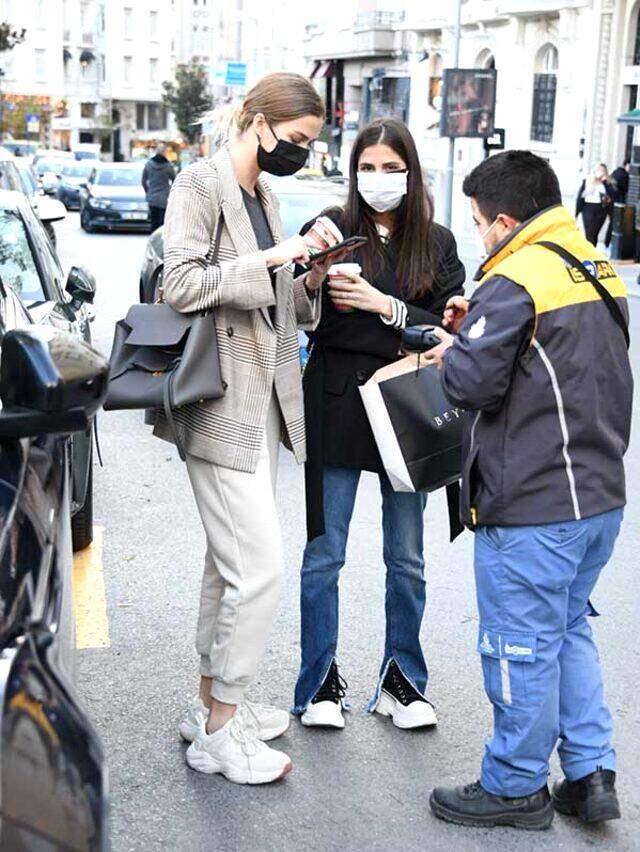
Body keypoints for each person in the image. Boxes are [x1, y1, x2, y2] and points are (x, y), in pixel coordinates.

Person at [425, 150, 632, 829]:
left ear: (507, 219)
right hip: (598, 495)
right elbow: (551, 359)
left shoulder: (515, 278)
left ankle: (514, 784)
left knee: (519, 643)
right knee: (567, 630)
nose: (482, 234)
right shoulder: (589, 262)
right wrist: (477, 327)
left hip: (536, 502)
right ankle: (589, 774)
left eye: (482, 223)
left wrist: (458, 346)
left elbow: (472, 384)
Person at [158, 72, 337, 785]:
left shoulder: (264, 193)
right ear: (257, 121)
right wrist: (271, 255)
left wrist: (313, 273)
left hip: (261, 400)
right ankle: (222, 733)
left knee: (226, 565)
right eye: (295, 140)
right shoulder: (199, 186)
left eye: (308, 144)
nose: (299, 152)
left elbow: (272, 306)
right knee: (257, 571)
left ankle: (207, 707)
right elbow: (182, 286)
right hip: (219, 400)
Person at [292, 118, 466, 730]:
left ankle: (403, 680)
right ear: (353, 170)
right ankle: (318, 684)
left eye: (392, 168)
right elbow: (300, 312)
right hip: (337, 400)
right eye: (368, 167)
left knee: (407, 558)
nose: (379, 179)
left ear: (412, 172)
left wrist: (382, 307)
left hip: (407, 404)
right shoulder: (332, 228)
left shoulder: (437, 242)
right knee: (324, 554)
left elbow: (448, 330)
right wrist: (314, 279)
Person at [576, 163, 614, 246]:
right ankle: (588, 253)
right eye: (598, 169)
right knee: (589, 232)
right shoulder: (588, 181)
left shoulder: (607, 183)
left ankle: (592, 252)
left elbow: (611, 196)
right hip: (588, 207)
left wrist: (604, 182)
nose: (600, 172)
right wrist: (593, 183)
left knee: (595, 233)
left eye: (602, 170)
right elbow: (582, 195)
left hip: (601, 209)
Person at [142, 143, 176, 231]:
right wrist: (171, 193)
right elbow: (175, 181)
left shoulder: (148, 164)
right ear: (165, 152)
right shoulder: (168, 166)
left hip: (152, 198)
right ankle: (160, 241)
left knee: (154, 222)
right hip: (164, 198)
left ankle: (153, 239)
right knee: (162, 223)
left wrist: (148, 192)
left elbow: (143, 181)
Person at [604, 159, 630, 248]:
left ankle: (607, 245)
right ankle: (608, 245)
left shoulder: (616, 173)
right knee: (614, 225)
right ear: (627, 165)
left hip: (612, 204)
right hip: (617, 204)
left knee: (612, 225)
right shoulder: (622, 175)